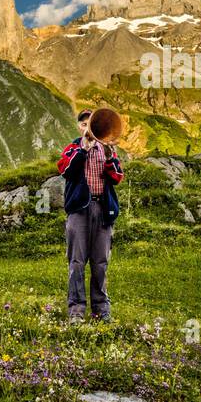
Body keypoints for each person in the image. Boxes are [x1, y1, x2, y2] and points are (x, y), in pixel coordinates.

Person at [56, 109, 124, 322]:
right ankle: (76, 311)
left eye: (91, 124)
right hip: (79, 211)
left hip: (102, 210)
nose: (89, 128)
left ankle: (101, 311)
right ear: (80, 127)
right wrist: (84, 148)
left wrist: (109, 155)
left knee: (100, 262)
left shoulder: (107, 150)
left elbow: (117, 177)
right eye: (85, 124)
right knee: (76, 261)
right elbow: (66, 170)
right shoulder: (73, 148)